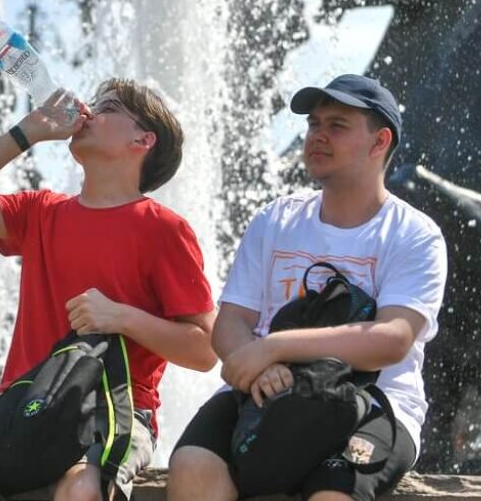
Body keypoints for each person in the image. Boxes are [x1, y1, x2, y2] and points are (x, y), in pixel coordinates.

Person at [0, 78, 217, 501]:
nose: (88, 111)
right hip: (18, 397)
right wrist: (26, 133)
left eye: (107, 108)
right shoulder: (41, 212)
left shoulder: (165, 229)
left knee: (82, 489)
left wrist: (121, 316)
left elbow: (204, 350)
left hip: (112, 405)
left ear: (143, 139)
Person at [168, 74, 447, 501]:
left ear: (379, 143)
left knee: (330, 497)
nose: (318, 135)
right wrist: (259, 365)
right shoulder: (274, 220)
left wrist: (275, 347)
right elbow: (231, 324)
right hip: (264, 389)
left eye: (337, 125)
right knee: (191, 468)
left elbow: (392, 339)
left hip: (372, 402)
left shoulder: (414, 234)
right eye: (314, 124)